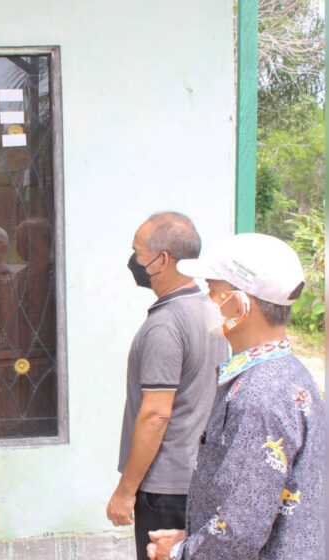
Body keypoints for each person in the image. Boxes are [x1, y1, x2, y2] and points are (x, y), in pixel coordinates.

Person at [147, 233, 324, 559]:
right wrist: (191, 538)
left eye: (213, 292)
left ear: (240, 305)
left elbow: (240, 532)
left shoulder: (261, 396)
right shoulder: (285, 374)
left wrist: (179, 553)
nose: (205, 301)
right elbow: (249, 502)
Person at [107, 212, 228, 559]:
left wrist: (125, 491)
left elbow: (156, 415)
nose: (133, 261)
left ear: (161, 260)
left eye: (138, 251)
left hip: (165, 488)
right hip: (199, 477)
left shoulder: (166, 326)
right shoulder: (210, 310)